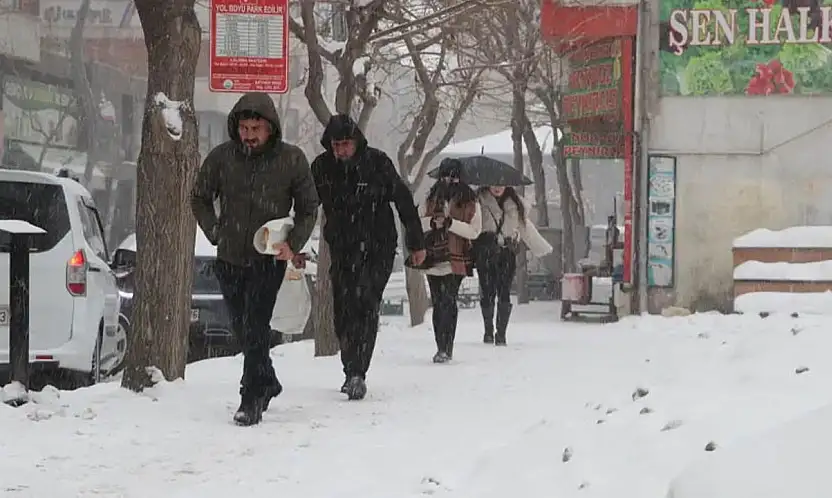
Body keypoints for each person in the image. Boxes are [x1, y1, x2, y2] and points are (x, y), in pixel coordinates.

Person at [191, 92, 319, 426]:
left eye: (256, 128)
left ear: (270, 128)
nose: (249, 134)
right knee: (241, 327)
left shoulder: (291, 160)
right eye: (244, 127)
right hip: (229, 256)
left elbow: (308, 207)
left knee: (256, 324)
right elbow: (200, 198)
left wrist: (293, 244)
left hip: (268, 258)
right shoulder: (222, 158)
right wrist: (214, 231)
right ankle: (269, 380)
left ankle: (250, 398)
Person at [311, 114, 426, 400]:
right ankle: (349, 366)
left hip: (378, 247)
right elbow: (304, 206)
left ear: (356, 142)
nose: (341, 151)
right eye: (336, 145)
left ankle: (358, 372)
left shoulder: (377, 163)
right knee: (343, 310)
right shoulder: (322, 168)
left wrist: (416, 242)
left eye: (346, 144)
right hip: (342, 249)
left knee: (366, 304)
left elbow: (403, 200)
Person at [418, 159, 481, 363]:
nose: (449, 180)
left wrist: (451, 224)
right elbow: (418, 223)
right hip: (433, 257)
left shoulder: (470, 202)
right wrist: (433, 223)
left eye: (454, 176)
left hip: (457, 257)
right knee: (438, 302)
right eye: (446, 176)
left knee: (448, 300)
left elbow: (474, 231)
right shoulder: (430, 199)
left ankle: (447, 346)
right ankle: (440, 346)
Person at [475, 185, 552, 345]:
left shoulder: (515, 204)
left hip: (506, 252)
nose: (497, 188)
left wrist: (541, 247)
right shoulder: (479, 201)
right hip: (486, 252)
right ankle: (488, 330)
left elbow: (525, 227)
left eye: (500, 184)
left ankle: (501, 333)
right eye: (493, 184)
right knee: (487, 291)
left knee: (504, 292)